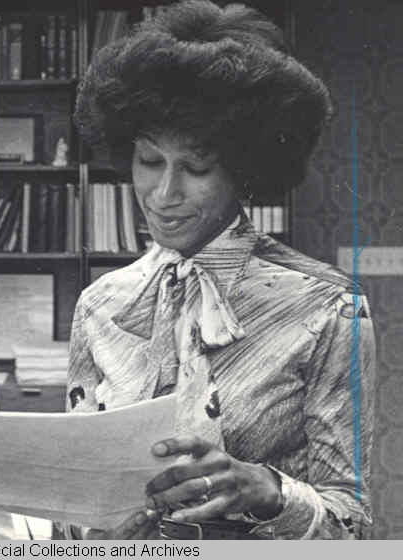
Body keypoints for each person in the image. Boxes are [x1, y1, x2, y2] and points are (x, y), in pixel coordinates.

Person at [66, 0, 375, 540]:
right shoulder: (99, 304)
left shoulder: (330, 308)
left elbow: (350, 528)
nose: (164, 195)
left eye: (196, 167)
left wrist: (267, 492)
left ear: (244, 166)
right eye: (149, 161)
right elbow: (69, 506)